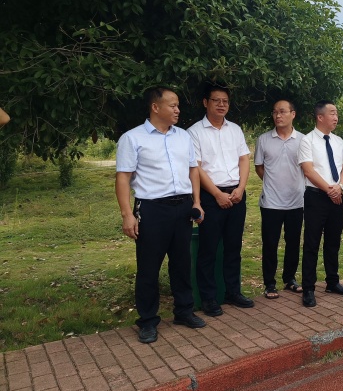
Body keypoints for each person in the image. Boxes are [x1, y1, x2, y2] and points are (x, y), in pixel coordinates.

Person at [115, 87, 206, 344]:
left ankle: (184, 311)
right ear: (156, 107)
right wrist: (127, 215)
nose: (178, 110)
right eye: (172, 105)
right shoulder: (132, 138)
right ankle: (147, 320)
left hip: (183, 207)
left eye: (178, 105)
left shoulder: (183, 137)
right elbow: (123, 178)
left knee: (182, 263)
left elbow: (193, 170)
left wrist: (197, 202)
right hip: (152, 209)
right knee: (148, 267)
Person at [187, 83, 255, 317]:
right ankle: (208, 298)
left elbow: (244, 159)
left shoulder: (235, 129)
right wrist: (216, 194)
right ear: (205, 102)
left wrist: (241, 188)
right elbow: (195, 167)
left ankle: (233, 292)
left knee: (233, 247)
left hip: (236, 195)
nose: (221, 105)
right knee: (208, 249)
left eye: (225, 101)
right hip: (210, 196)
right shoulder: (194, 132)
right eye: (216, 100)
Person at [297, 100, 343, 307]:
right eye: (332, 113)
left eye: (336, 113)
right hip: (316, 197)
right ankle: (308, 288)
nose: (336, 117)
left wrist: (340, 187)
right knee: (312, 242)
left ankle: (332, 281)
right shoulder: (307, 141)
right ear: (320, 117)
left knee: (333, 241)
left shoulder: (338, 141)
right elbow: (308, 170)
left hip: (337, 196)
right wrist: (329, 190)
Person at [254, 100, 305, 299]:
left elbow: (308, 167)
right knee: (270, 243)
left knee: (293, 242)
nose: (278, 116)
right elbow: (259, 167)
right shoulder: (263, 139)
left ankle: (290, 278)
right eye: (275, 112)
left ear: (293, 114)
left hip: (296, 200)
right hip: (271, 202)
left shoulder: (303, 140)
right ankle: (269, 283)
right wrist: (272, 182)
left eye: (282, 111)